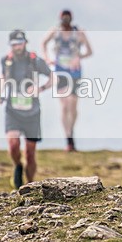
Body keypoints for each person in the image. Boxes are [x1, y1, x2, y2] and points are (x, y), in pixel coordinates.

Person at [0, 30, 53, 189]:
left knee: (30, 152)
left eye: (20, 43)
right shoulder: (6, 61)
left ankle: (30, 185)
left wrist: (40, 89)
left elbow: (53, 78)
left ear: (25, 43)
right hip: (12, 110)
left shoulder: (35, 61)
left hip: (32, 112)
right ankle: (17, 166)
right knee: (13, 144)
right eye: (14, 44)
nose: (17, 47)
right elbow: (2, 77)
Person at [41, 10, 93, 152]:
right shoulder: (55, 32)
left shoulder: (79, 33)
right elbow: (43, 43)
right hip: (60, 72)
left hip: (75, 72)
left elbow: (89, 51)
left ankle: (71, 131)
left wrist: (78, 57)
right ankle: (68, 138)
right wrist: (47, 58)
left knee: (73, 105)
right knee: (64, 104)